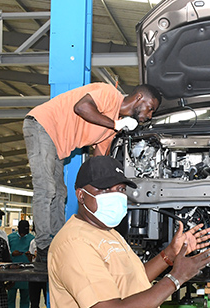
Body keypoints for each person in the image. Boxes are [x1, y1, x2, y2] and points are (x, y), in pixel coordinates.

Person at [48, 156, 210, 308]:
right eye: (105, 189)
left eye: (120, 189)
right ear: (81, 196)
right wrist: (175, 279)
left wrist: (168, 255)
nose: (116, 195)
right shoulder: (74, 244)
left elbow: (132, 281)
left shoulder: (107, 232)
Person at [23, 83, 162, 264]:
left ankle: (56, 242)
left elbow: (98, 161)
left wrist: (107, 191)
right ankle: (42, 247)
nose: (149, 115)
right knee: (47, 189)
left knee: (60, 192)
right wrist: (116, 123)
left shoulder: (111, 131)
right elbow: (81, 107)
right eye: (150, 109)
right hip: (42, 125)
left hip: (57, 144)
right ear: (138, 98)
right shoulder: (109, 94)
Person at [6, 220, 34, 308]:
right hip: (12, 272)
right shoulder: (10, 238)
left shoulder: (32, 239)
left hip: (26, 273)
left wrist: (29, 255)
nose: (23, 234)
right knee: (10, 298)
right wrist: (12, 254)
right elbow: (5, 254)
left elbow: (34, 255)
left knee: (25, 298)